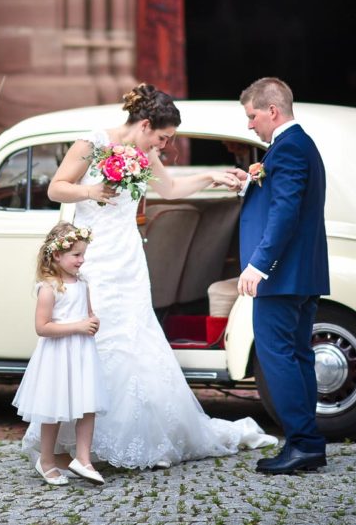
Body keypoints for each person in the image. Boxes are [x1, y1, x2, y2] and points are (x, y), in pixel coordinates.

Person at [30, 83, 276, 469]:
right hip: (94, 255)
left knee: (135, 338)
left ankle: (133, 437)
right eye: (163, 137)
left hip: (128, 258)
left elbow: (172, 188)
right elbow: (56, 188)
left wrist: (212, 177)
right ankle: (74, 443)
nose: (165, 144)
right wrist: (92, 190)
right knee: (95, 339)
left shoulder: (143, 155)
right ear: (145, 125)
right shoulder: (92, 144)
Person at [229, 77, 330, 475]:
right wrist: (249, 183)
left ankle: (303, 442)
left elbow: (285, 212)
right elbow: (284, 200)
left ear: (272, 111)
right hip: (301, 273)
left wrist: (259, 265)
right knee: (299, 354)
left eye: (252, 116)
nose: (249, 125)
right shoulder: (299, 145)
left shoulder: (288, 149)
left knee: (277, 356)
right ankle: (308, 443)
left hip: (282, 274)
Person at [12, 222, 107, 486]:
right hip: (57, 355)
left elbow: (88, 313)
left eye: (83, 254)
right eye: (76, 255)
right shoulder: (49, 287)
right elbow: (42, 327)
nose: (82, 260)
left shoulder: (83, 283)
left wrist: (93, 321)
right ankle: (46, 461)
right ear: (57, 255)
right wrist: (78, 326)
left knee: (88, 406)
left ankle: (83, 459)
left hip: (82, 353)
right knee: (52, 409)